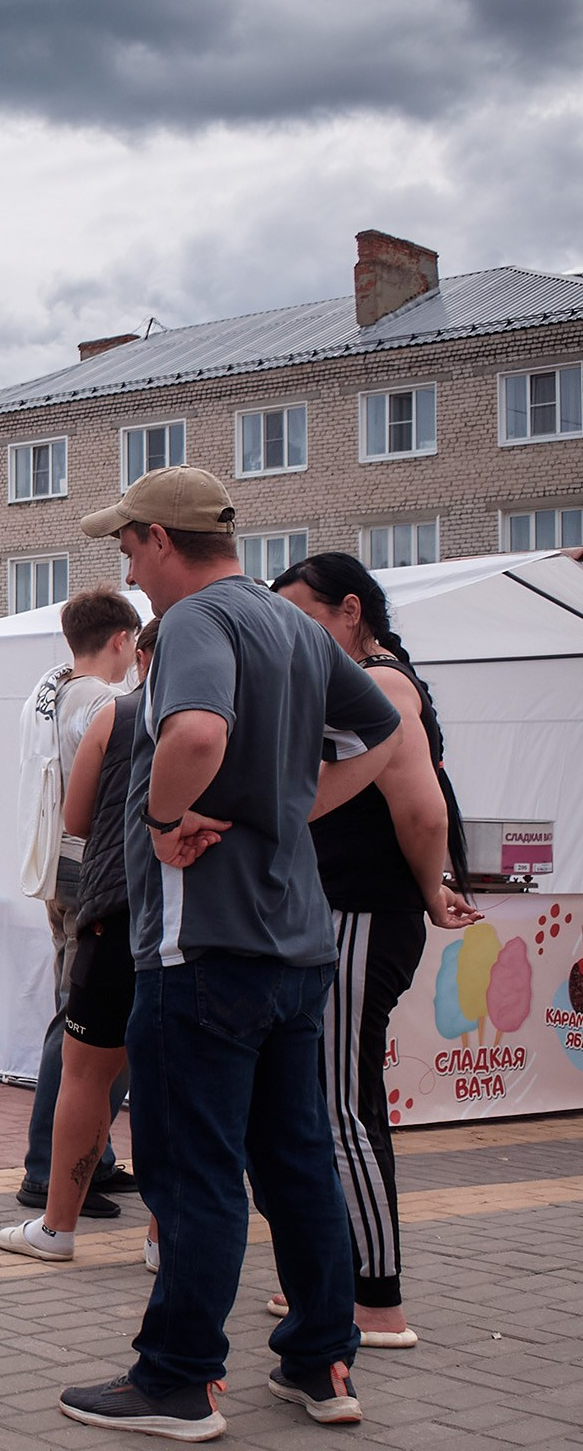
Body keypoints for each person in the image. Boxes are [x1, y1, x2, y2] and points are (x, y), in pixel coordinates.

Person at [56, 468, 402, 1442]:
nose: (126, 569)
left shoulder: (200, 622)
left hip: (200, 948)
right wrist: (286, 812)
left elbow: (198, 732)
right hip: (296, 949)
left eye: (127, 548)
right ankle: (320, 1362)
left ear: (162, 539)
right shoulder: (296, 626)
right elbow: (383, 726)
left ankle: (177, 1379)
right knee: (296, 1163)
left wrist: (166, 817)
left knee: (193, 1170)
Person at [272, 553, 479, 1349]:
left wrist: (433, 885)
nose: (293, 634)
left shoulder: (385, 683)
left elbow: (424, 809)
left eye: (304, 617)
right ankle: (332, 1281)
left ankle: (377, 1300)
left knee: (340, 1104)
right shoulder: (370, 680)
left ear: (350, 611)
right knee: (321, 1098)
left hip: (364, 911)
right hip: (351, 910)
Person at [0, 616, 160, 1268]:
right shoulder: (103, 703)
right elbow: (87, 808)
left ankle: (86, 1166)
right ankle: (51, 1167)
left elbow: (70, 807)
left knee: (90, 1033)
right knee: (85, 1036)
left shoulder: (54, 688)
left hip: (78, 876)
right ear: (124, 639)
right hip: (109, 885)